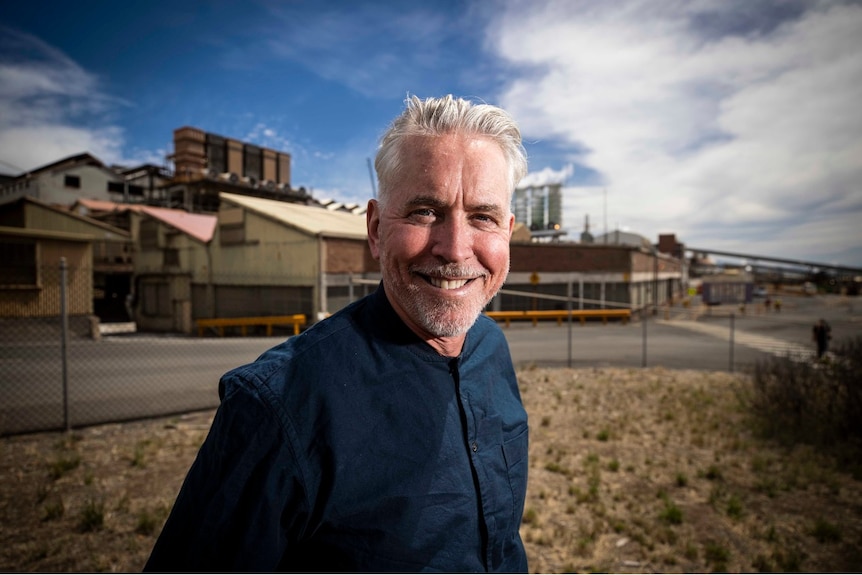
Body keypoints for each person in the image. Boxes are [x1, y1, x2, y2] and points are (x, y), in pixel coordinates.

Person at [144, 95, 530, 572]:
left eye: (483, 217)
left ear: (507, 233)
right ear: (374, 229)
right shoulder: (278, 408)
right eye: (425, 212)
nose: (455, 248)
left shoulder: (490, 348)